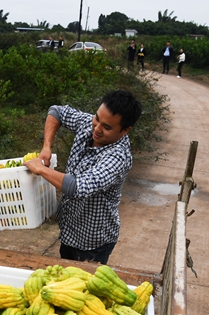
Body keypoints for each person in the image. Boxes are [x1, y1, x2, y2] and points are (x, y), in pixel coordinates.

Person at [23, 90, 142, 264]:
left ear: (125, 130)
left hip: (93, 244)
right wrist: (46, 146)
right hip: (69, 232)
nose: (97, 129)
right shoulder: (91, 124)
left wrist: (40, 169)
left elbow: (77, 187)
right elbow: (56, 112)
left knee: (82, 287)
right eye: (97, 118)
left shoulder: (117, 157)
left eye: (107, 127)